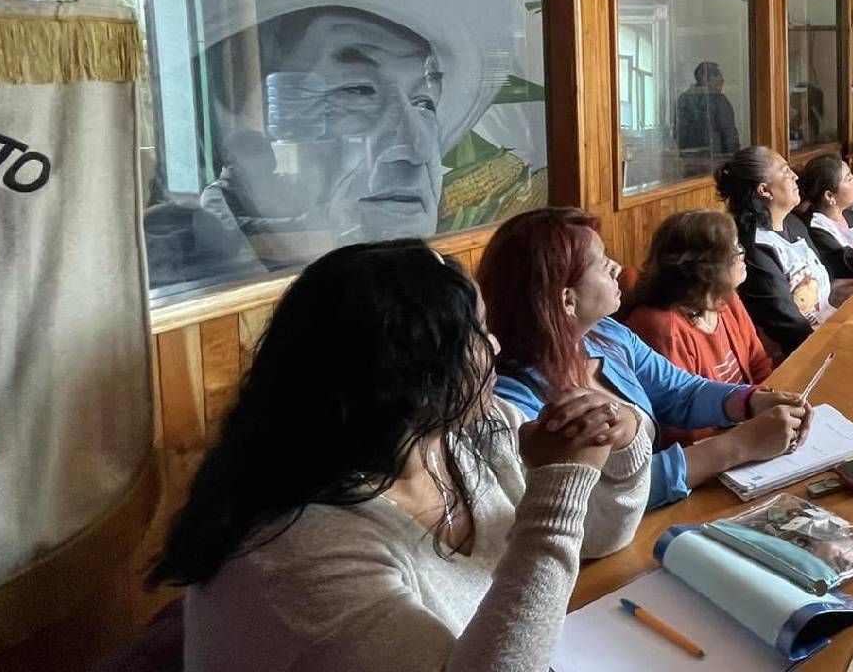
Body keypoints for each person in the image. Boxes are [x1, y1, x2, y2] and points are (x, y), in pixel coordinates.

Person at [154, 240, 649, 671]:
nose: (496, 346)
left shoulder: (470, 434)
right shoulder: (295, 551)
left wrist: (622, 442)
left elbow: (602, 538)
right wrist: (558, 491)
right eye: (477, 333)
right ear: (412, 372)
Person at [140, 0, 534, 292]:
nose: (417, 149)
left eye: (424, 102)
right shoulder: (172, 285)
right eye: (357, 91)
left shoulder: (414, 287)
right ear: (234, 127)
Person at [480, 207, 811, 510]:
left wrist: (749, 401)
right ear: (567, 300)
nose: (616, 267)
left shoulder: (606, 335)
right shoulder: (511, 403)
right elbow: (595, 501)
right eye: (600, 261)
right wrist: (738, 445)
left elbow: (679, 391)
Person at [620, 210, 777, 447]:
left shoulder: (725, 298)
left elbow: (758, 363)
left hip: (747, 427)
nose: (743, 255)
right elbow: (684, 428)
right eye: (735, 251)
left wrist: (772, 406)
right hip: (715, 449)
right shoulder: (660, 325)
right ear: (706, 267)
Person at [718, 146, 853, 357]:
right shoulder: (755, 248)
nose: (795, 176)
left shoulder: (793, 222)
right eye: (785, 171)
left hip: (829, 331)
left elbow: (823, 287)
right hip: (801, 354)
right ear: (764, 190)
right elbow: (790, 327)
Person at [676, 61, 740, 158]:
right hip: (716, 162)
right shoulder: (719, 100)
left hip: (688, 161)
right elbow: (729, 135)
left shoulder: (682, 99)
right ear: (705, 79)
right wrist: (734, 160)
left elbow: (677, 134)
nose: (722, 82)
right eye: (718, 81)